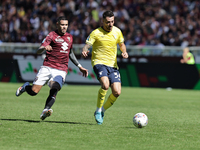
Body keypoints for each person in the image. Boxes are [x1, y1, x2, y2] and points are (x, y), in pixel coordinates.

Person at [16, 16, 88, 120]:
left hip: (61, 69)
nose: (64, 27)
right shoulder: (51, 35)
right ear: (58, 24)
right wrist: (44, 48)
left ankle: (46, 110)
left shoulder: (70, 37)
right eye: (62, 25)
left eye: (66, 25)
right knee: (33, 92)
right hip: (48, 67)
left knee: (55, 87)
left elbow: (70, 53)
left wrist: (79, 66)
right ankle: (25, 87)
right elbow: (38, 50)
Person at [82, 10, 128, 125]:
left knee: (117, 92)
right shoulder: (96, 33)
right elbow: (88, 44)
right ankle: (98, 110)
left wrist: (124, 52)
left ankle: (102, 110)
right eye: (108, 22)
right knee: (105, 85)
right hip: (99, 62)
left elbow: (122, 44)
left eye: (112, 21)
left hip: (113, 65)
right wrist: (85, 49)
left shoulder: (117, 31)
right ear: (102, 21)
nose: (110, 24)